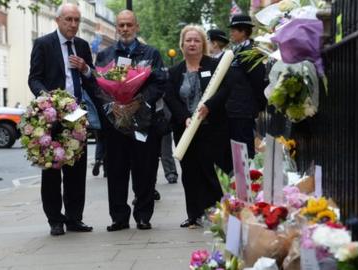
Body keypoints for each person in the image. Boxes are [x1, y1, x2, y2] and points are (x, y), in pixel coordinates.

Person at [28, 3, 111, 236]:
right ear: (58, 20)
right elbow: (34, 79)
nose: (73, 24)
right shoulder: (44, 44)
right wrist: (49, 100)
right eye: (69, 20)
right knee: (53, 169)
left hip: (77, 115)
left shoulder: (82, 46)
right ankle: (55, 220)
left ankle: (75, 218)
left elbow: (92, 80)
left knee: (76, 168)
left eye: (76, 20)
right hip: (52, 115)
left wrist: (85, 68)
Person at [95, 10, 166, 231]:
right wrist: (113, 106)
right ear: (116, 28)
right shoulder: (105, 56)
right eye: (121, 25)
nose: (125, 29)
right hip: (116, 123)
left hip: (143, 121)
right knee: (116, 170)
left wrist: (139, 101)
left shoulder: (151, 53)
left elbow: (160, 82)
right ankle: (119, 217)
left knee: (144, 170)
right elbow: (98, 86)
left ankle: (143, 215)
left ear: (136, 27)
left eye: (129, 25)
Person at [164, 24, 231, 228]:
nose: (192, 44)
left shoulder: (214, 66)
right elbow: (171, 97)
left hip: (211, 128)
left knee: (209, 171)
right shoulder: (174, 71)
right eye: (188, 40)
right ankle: (193, 215)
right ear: (182, 45)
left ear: (203, 44)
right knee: (190, 172)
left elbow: (226, 89)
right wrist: (184, 117)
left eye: (196, 40)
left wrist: (209, 106)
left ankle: (216, 213)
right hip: (185, 129)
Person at [226, 14, 267, 159]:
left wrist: (257, 106)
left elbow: (257, 81)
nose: (231, 33)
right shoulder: (236, 50)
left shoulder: (252, 51)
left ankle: (249, 176)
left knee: (245, 149)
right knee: (236, 149)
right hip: (235, 108)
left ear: (243, 31)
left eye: (234, 30)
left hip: (244, 109)